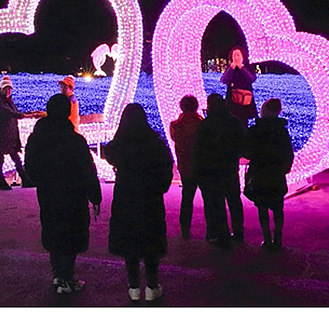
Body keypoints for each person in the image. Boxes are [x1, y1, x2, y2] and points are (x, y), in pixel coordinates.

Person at [24, 93, 101, 295]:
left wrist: (42, 181)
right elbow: (87, 169)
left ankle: (59, 275)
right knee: (71, 234)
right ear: (67, 112)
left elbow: (30, 166)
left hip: (48, 193)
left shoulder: (37, 137)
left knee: (53, 231)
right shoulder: (75, 140)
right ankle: (66, 278)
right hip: (73, 195)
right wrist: (95, 196)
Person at [103, 103, 173, 302]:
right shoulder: (155, 143)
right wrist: (159, 187)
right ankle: (152, 286)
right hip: (149, 199)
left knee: (130, 245)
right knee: (150, 243)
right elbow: (165, 171)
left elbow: (109, 152)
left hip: (126, 198)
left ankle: (134, 287)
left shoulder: (119, 144)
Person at [194, 93, 246, 247]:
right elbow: (242, 143)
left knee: (217, 202)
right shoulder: (234, 122)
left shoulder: (206, 124)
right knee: (234, 201)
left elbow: (199, 148)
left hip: (212, 169)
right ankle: (238, 232)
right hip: (229, 167)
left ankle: (222, 234)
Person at [245, 98, 294, 252]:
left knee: (262, 207)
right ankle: (277, 239)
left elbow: (247, 151)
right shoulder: (282, 131)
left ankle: (266, 239)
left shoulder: (256, 130)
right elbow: (288, 153)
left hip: (260, 172)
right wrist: (285, 168)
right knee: (278, 207)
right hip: (276, 173)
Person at [0, 75, 37, 189]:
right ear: (1, 89)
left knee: (16, 157)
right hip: (0, 134)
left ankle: (25, 179)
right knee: (0, 158)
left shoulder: (9, 101)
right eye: (6, 88)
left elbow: (15, 111)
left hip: (10, 134)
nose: (8, 91)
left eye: (10, 89)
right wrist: (24, 116)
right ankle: (1, 181)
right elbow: (9, 112)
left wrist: (30, 113)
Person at [169, 95, 203, 239]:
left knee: (187, 198)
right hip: (201, 165)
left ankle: (185, 228)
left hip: (185, 165)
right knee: (209, 199)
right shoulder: (202, 124)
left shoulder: (176, 125)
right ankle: (212, 230)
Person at [220, 46, 258, 123]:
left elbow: (251, 79)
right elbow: (224, 80)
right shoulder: (230, 68)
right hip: (232, 98)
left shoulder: (249, 67)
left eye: (238, 55)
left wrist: (242, 68)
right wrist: (231, 69)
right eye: (234, 56)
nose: (236, 58)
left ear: (243, 56)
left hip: (245, 98)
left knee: (243, 120)